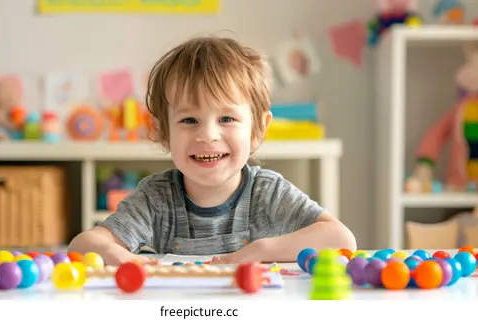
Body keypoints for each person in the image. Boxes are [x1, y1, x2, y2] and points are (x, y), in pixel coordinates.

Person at [68, 35, 357, 265]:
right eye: (189, 120)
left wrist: (262, 250)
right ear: (162, 132)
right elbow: (82, 245)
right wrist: (120, 255)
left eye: (226, 119)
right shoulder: (156, 197)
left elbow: (341, 239)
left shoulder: (267, 193)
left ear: (257, 129)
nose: (208, 135)